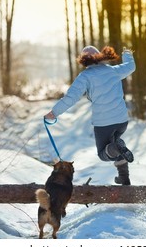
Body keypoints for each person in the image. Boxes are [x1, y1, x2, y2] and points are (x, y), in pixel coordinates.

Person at [44, 45, 136, 185]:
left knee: (104, 153)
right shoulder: (113, 70)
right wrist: (127, 53)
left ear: (84, 60)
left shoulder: (85, 76)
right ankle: (124, 177)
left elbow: (71, 98)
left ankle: (116, 147)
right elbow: (130, 67)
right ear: (100, 57)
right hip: (122, 121)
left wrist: (54, 112)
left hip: (104, 124)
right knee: (115, 144)